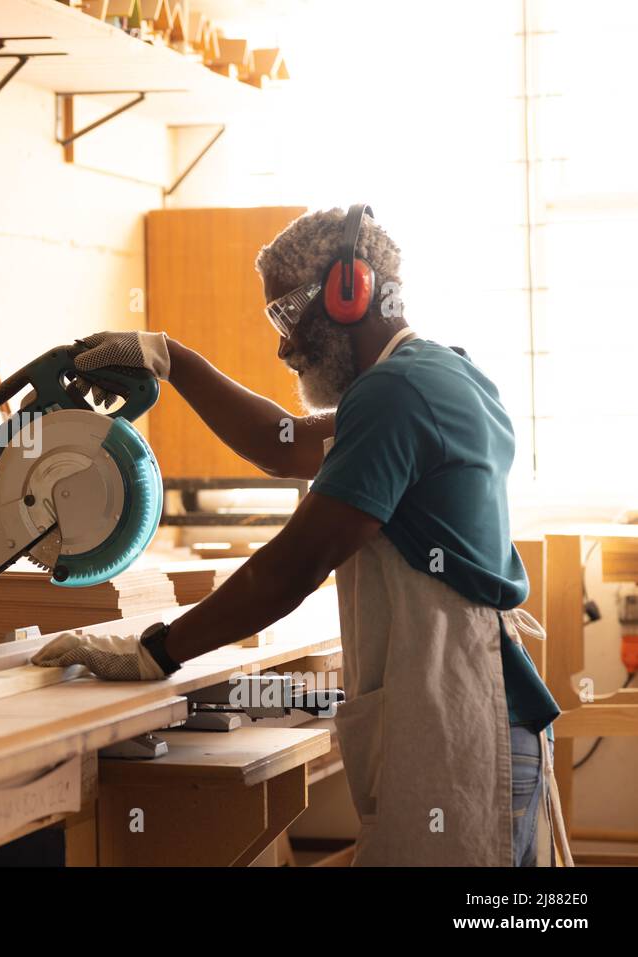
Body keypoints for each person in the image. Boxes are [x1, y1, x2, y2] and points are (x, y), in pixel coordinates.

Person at [34, 206, 568, 866]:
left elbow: (292, 566)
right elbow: (280, 442)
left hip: (460, 728)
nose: (284, 346)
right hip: (469, 715)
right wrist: (168, 357)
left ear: (352, 293)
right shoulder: (436, 374)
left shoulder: (397, 394)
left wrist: (158, 650)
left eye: (289, 315)